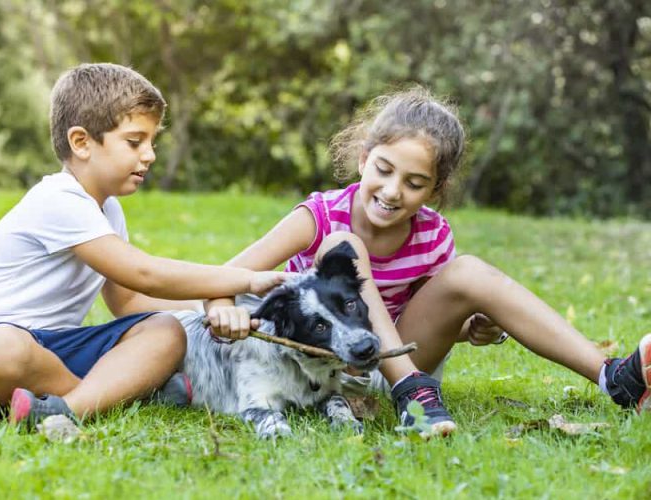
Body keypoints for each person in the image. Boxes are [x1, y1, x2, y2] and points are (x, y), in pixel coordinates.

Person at [201, 87, 650, 436]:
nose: (393, 191)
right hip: (323, 373)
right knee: (344, 244)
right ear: (362, 159)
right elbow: (224, 278)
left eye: (414, 183)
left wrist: (472, 328)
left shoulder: (432, 234)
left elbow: (434, 323)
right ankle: (411, 395)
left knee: (470, 270)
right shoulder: (318, 215)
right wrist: (222, 308)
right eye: (384, 170)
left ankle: (612, 377)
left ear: (434, 190)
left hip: (392, 362)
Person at [0, 63, 287, 427]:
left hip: (53, 349)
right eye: (134, 142)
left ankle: (60, 411)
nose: (149, 155)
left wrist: (207, 306)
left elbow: (128, 300)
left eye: (151, 142)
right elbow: (141, 272)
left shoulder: (107, 209)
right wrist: (242, 280)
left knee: (165, 331)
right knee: (8, 346)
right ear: (81, 142)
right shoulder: (58, 198)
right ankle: (108, 397)